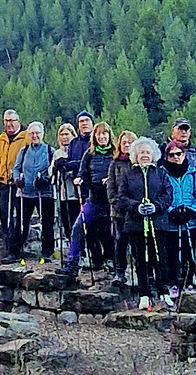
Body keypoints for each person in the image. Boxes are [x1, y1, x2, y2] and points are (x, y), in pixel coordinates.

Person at [116, 137, 173, 310]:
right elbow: (122, 198)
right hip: (136, 224)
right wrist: (137, 207)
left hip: (158, 223)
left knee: (160, 258)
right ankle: (144, 294)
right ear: (135, 155)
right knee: (140, 259)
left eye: (148, 152)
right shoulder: (128, 175)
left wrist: (156, 206)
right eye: (142, 153)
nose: (145, 155)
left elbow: (168, 194)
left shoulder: (161, 173)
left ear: (153, 154)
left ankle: (163, 291)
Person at [65, 122, 117, 276]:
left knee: (109, 232)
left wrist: (111, 180)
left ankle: (113, 261)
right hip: (93, 199)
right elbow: (83, 173)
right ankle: (73, 261)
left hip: (111, 202)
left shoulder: (115, 154)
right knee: (78, 227)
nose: (101, 137)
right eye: (98, 134)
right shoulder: (89, 154)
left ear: (109, 135)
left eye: (104, 134)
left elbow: (121, 174)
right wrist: (79, 179)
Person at [157, 140, 196, 307]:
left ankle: (189, 282)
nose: (176, 157)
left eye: (179, 154)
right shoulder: (162, 173)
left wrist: (192, 210)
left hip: (189, 220)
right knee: (172, 253)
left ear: (184, 155)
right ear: (166, 156)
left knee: (189, 253)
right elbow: (160, 194)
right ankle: (173, 283)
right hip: (170, 220)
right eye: (172, 155)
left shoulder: (192, 173)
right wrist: (171, 211)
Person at [12, 122, 56, 262]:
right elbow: (16, 168)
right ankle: (15, 251)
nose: (34, 136)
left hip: (44, 193)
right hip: (25, 193)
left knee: (47, 223)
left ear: (42, 134)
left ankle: (47, 252)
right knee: (20, 222)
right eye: (31, 134)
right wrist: (17, 179)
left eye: (37, 133)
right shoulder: (23, 151)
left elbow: (53, 170)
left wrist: (46, 179)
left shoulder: (50, 151)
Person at [0, 110, 30, 256]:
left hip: (19, 183)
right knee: (4, 214)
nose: (9, 124)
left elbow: (28, 158)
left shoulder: (25, 137)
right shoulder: (1, 138)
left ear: (18, 121)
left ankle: (18, 246)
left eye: (12, 120)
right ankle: (8, 246)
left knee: (19, 215)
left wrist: (23, 177)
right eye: (6, 121)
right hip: (4, 182)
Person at [106, 131, 137, 284]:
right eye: (124, 142)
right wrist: (117, 203)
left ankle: (142, 274)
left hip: (136, 212)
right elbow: (110, 188)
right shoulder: (115, 163)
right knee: (120, 241)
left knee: (138, 245)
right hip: (119, 212)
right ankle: (119, 273)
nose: (126, 145)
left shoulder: (138, 164)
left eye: (130, 142)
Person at [51, 123, 81, 249]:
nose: (64, 137)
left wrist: (69, 167)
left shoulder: (77, 150)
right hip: (63, 193)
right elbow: (51, 171)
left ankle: (80, 250)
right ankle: (72, 249)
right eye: (62, 135)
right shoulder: (57, 153)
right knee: (66, 222)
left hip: (75, 193)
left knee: (76, 222)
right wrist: (56, 167)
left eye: (67, 134)